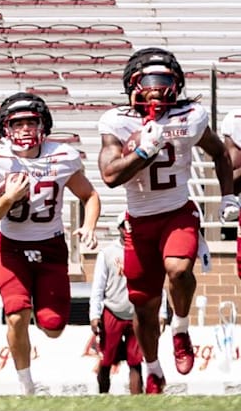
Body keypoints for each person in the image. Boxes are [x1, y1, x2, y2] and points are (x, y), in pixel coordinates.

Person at [98, 47, 235, 393]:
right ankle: (154, 369)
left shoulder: (190, 115)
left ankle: (181, 328)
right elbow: (110, 176)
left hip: (177, 211)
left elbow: (219, 153)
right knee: (143, 308)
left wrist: (229, 195)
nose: (156, 89)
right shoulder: (117, 122)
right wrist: (143, 151)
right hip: (139, 220)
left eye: (164, 81)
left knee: (178, 269)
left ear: (177, 84)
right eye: (148, 81)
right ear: (132, 85)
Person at [0, 93, 101, 395]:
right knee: (17, 315)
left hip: (51, 247)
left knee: (54, 327)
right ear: (5, 128)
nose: (24, 129)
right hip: (12, 248)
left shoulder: (62, 155)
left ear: (43, 124)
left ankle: (38, 308)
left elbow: (90, 195)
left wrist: (88, 226)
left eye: (31, 122)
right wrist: (8, 198)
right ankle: (25, 383)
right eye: (17, 123)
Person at [90, 218, 142, 394]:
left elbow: (156, 282)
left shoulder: (145, 249)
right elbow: (98, 285)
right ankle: (103, 394)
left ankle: (138, 399)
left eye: (131, 225)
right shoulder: (108, 252)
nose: (128, 229)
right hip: (113, 310)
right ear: (119, 228)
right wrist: (94, 314)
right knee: (107, 359)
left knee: (136, 361)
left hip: (137, 312)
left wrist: (161, 311)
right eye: (124, 225)